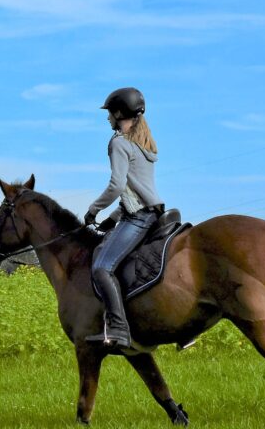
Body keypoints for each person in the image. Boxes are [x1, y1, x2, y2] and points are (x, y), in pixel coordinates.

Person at [83, 87, 164, 348]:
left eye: (109, 113)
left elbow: (117, 185)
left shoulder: (118, 142)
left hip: (139, 217)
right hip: (149, 213)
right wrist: (114, 217)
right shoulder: (142, 145)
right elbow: (136, 188)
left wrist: (94, 210)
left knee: (101, 268)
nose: (107, 118)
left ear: (119, 113)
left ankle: (118, 329)